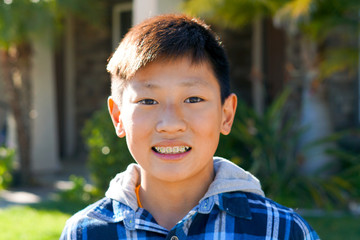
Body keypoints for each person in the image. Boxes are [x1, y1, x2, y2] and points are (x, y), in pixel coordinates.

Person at [60, 14, 319, 240]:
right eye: (148, 101)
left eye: (193, 99)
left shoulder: (281, 232)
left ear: (226, 114)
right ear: (118, 117)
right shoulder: (83, 233)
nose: (171, 124)